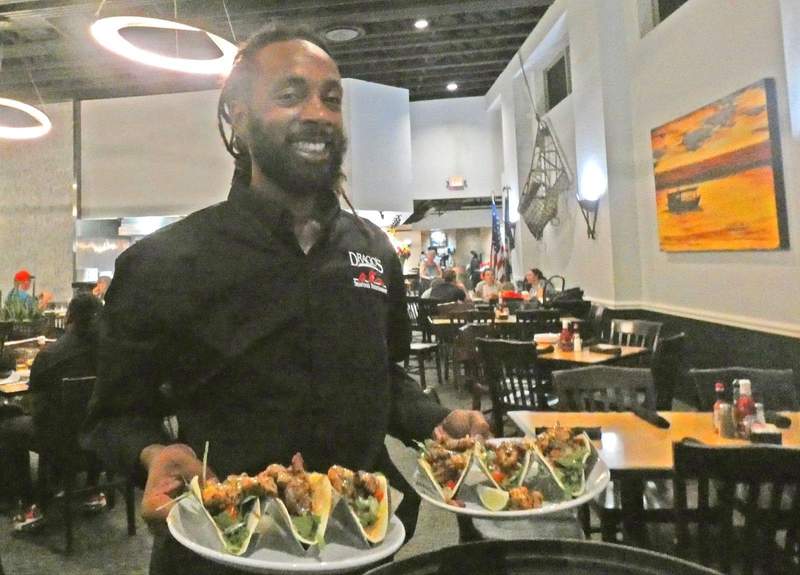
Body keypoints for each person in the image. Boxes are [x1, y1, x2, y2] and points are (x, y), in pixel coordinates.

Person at [85, 24, 489, 575]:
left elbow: (382, 375)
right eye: (290, 94)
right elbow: (114, 415)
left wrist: (436, 419)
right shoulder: (165, 262)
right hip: (221, 549)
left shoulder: (375, 251)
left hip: (357, 543)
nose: (319, 113)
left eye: (331, 98)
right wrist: (153, 454)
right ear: (238, 116)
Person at [0, 294, 106, 532]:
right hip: (102, 437)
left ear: (69, 317)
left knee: (7, 426)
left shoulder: (50, 356)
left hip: (61, 439)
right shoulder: (111, 354)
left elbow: (36, 405)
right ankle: (92, 488)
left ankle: (28, 502)